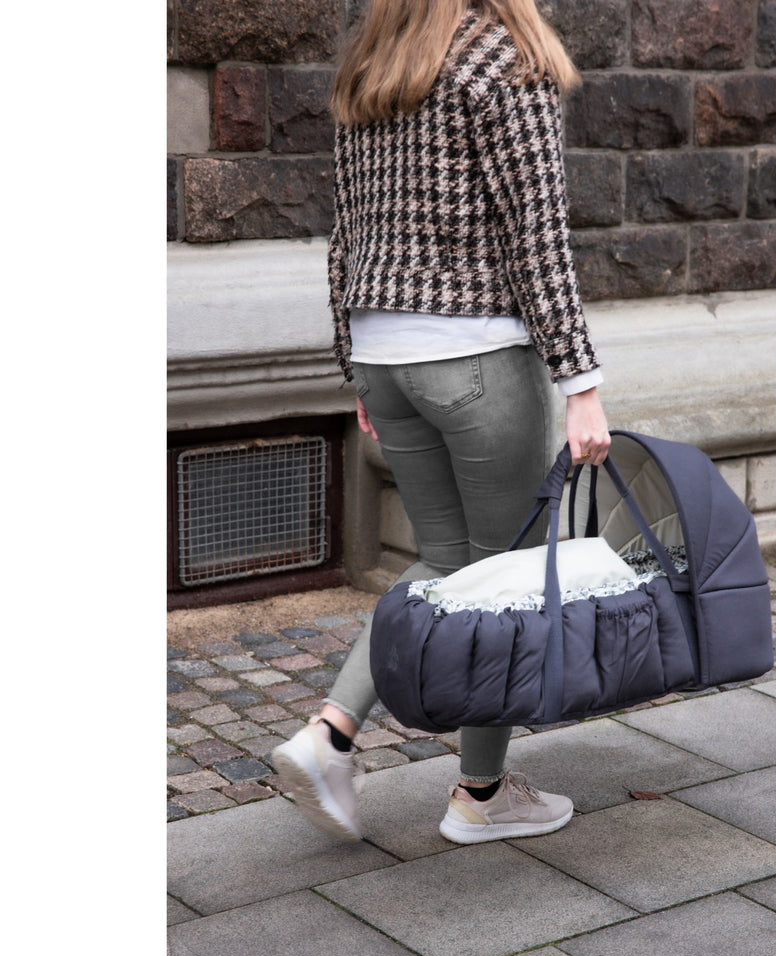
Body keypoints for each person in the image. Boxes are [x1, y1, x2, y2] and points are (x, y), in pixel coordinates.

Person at [272, 0, 611, 846]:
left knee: (446, 561)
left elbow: (346, 237)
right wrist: (581, 382)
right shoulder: (506, 60)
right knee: (503, 582)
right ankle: (481, 795)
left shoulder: (372, 64)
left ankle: (330, 734)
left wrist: (356, 365)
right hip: (477, 357)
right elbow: (538, 235)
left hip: (385, 356)